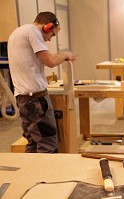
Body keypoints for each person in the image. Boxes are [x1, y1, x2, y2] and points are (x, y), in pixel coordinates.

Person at [8, 11, 76, 153]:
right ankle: (45, 176)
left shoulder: (17, 32)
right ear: (47, 27)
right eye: (52, 34)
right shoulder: (33, 31)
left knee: (33, 144)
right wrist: (65, 55)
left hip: (23, 99)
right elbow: (50, 61)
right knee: (48, 144)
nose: (50, 39)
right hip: (35, 101)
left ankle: (32, 174)